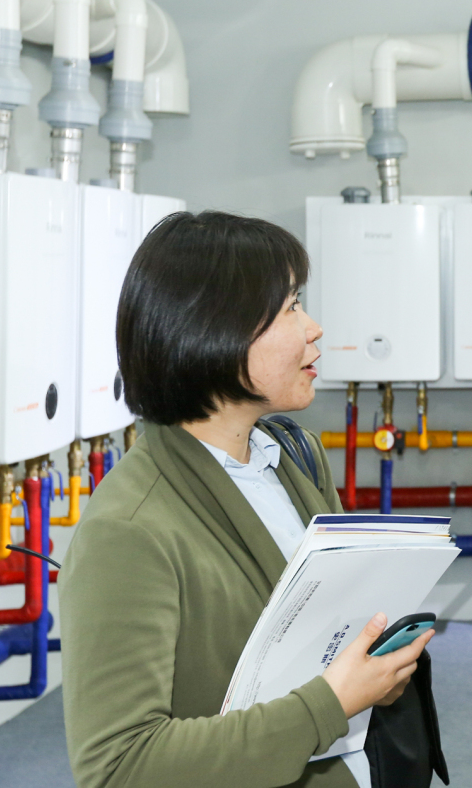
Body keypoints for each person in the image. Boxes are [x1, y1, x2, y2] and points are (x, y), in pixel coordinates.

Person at [60, 212, 440, 788]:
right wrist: (329, 703)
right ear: (216, 331)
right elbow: (119, 766)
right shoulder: (128, 531)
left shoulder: (292, 457)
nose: (313, 328)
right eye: (291, 306)